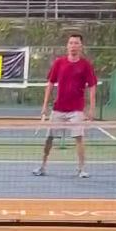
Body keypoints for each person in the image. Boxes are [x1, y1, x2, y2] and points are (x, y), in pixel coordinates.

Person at [34, 34, 98, 179]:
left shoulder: (86, 65)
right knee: (49, 138)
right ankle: (42, 166)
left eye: (76, 43)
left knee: (79, 138)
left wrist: (92, 108)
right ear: (67, 46)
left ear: (81, 46)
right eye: (71, 43)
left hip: (76, 110)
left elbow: (92, 86)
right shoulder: (59, 63)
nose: (73, 46)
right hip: (58, 109)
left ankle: (81, 169)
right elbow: (50, 84)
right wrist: (45, 105)